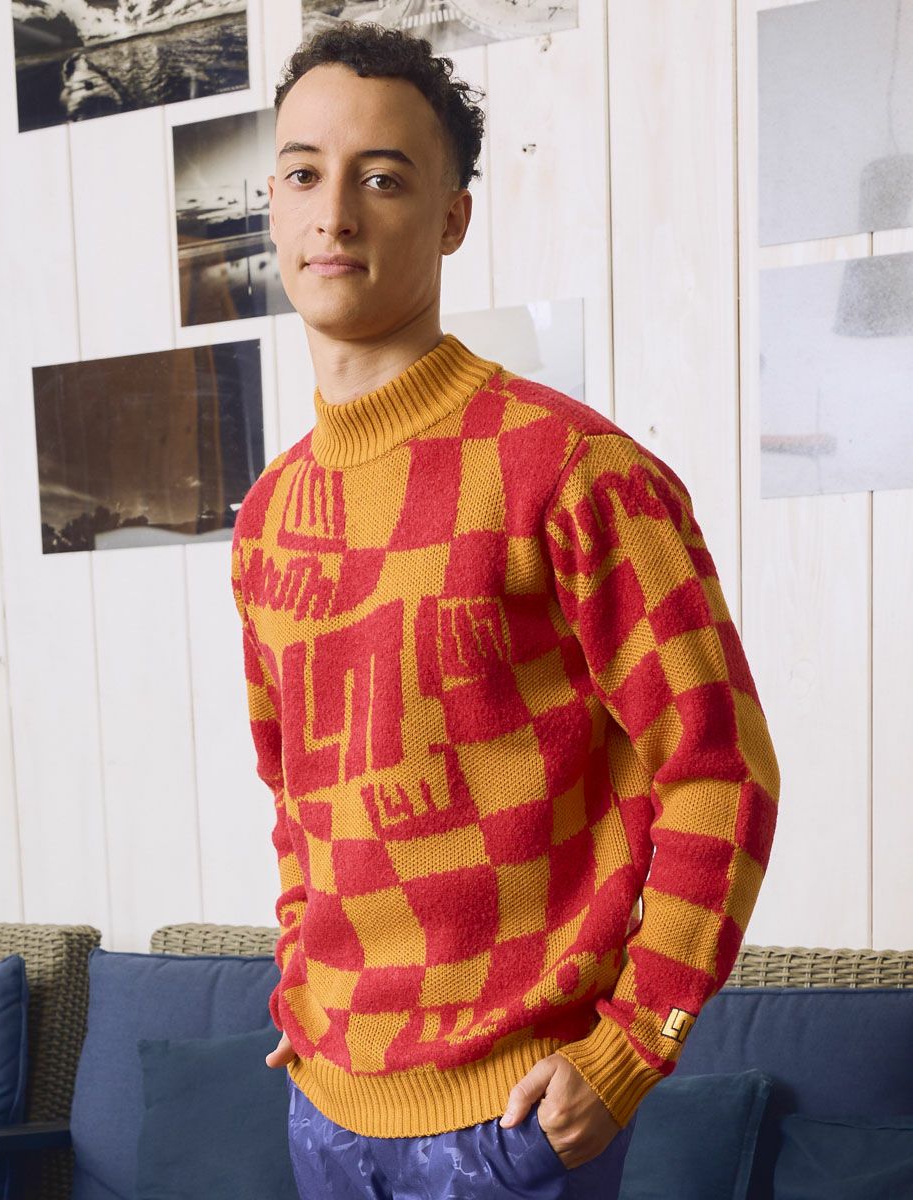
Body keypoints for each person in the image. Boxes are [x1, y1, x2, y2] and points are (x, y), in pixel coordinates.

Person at [231, 20, 780, 1200]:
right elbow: (297, 796)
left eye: (383, 178)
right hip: (321, 1106)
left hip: (512, 1123)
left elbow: (721, 772)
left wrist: (630, 1049)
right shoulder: (268, 514)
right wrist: (300, 984)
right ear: (271, 204)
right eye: (303, 174)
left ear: (451, 219)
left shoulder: (570, 471)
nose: (335, 215)